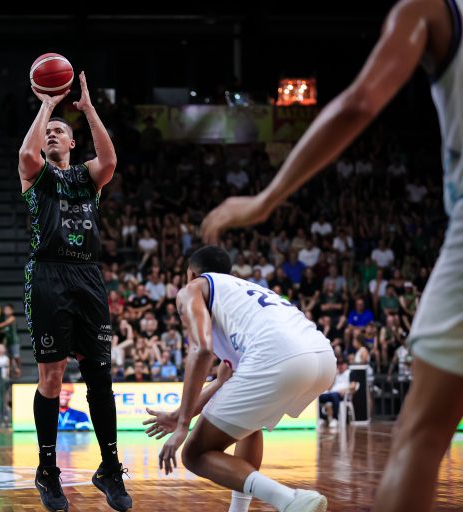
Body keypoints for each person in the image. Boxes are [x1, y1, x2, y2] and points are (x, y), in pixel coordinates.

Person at [200, 2, 463, 509]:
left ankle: (281, 500)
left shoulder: (429, 9)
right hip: (308, 353)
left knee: (421, 436)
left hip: (290, 354)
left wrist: (264, 200)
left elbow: (361, 101)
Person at [145, 246, 335, 512]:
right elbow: (222, 382)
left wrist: (183, 426)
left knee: (194, 454)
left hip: (277, 355)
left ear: (191, 274)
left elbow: (201, 350)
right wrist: (179, 415)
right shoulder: (242, 295)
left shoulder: (193, 289)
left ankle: (289, 499)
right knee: (248, 425)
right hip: (323, 358)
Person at [18, 71, 131, 511]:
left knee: (100, 375)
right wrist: (47, 105)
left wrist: (87, 109)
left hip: (87, 275)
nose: (51, 134)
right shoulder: (36, 174)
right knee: (52, 376)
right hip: (48, 274)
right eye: (47, 131)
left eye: (58, 131)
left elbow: (110, 158)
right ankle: (48, 471)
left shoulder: (87, 176)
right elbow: (25, 153)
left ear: (71, 142)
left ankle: (110, 467)